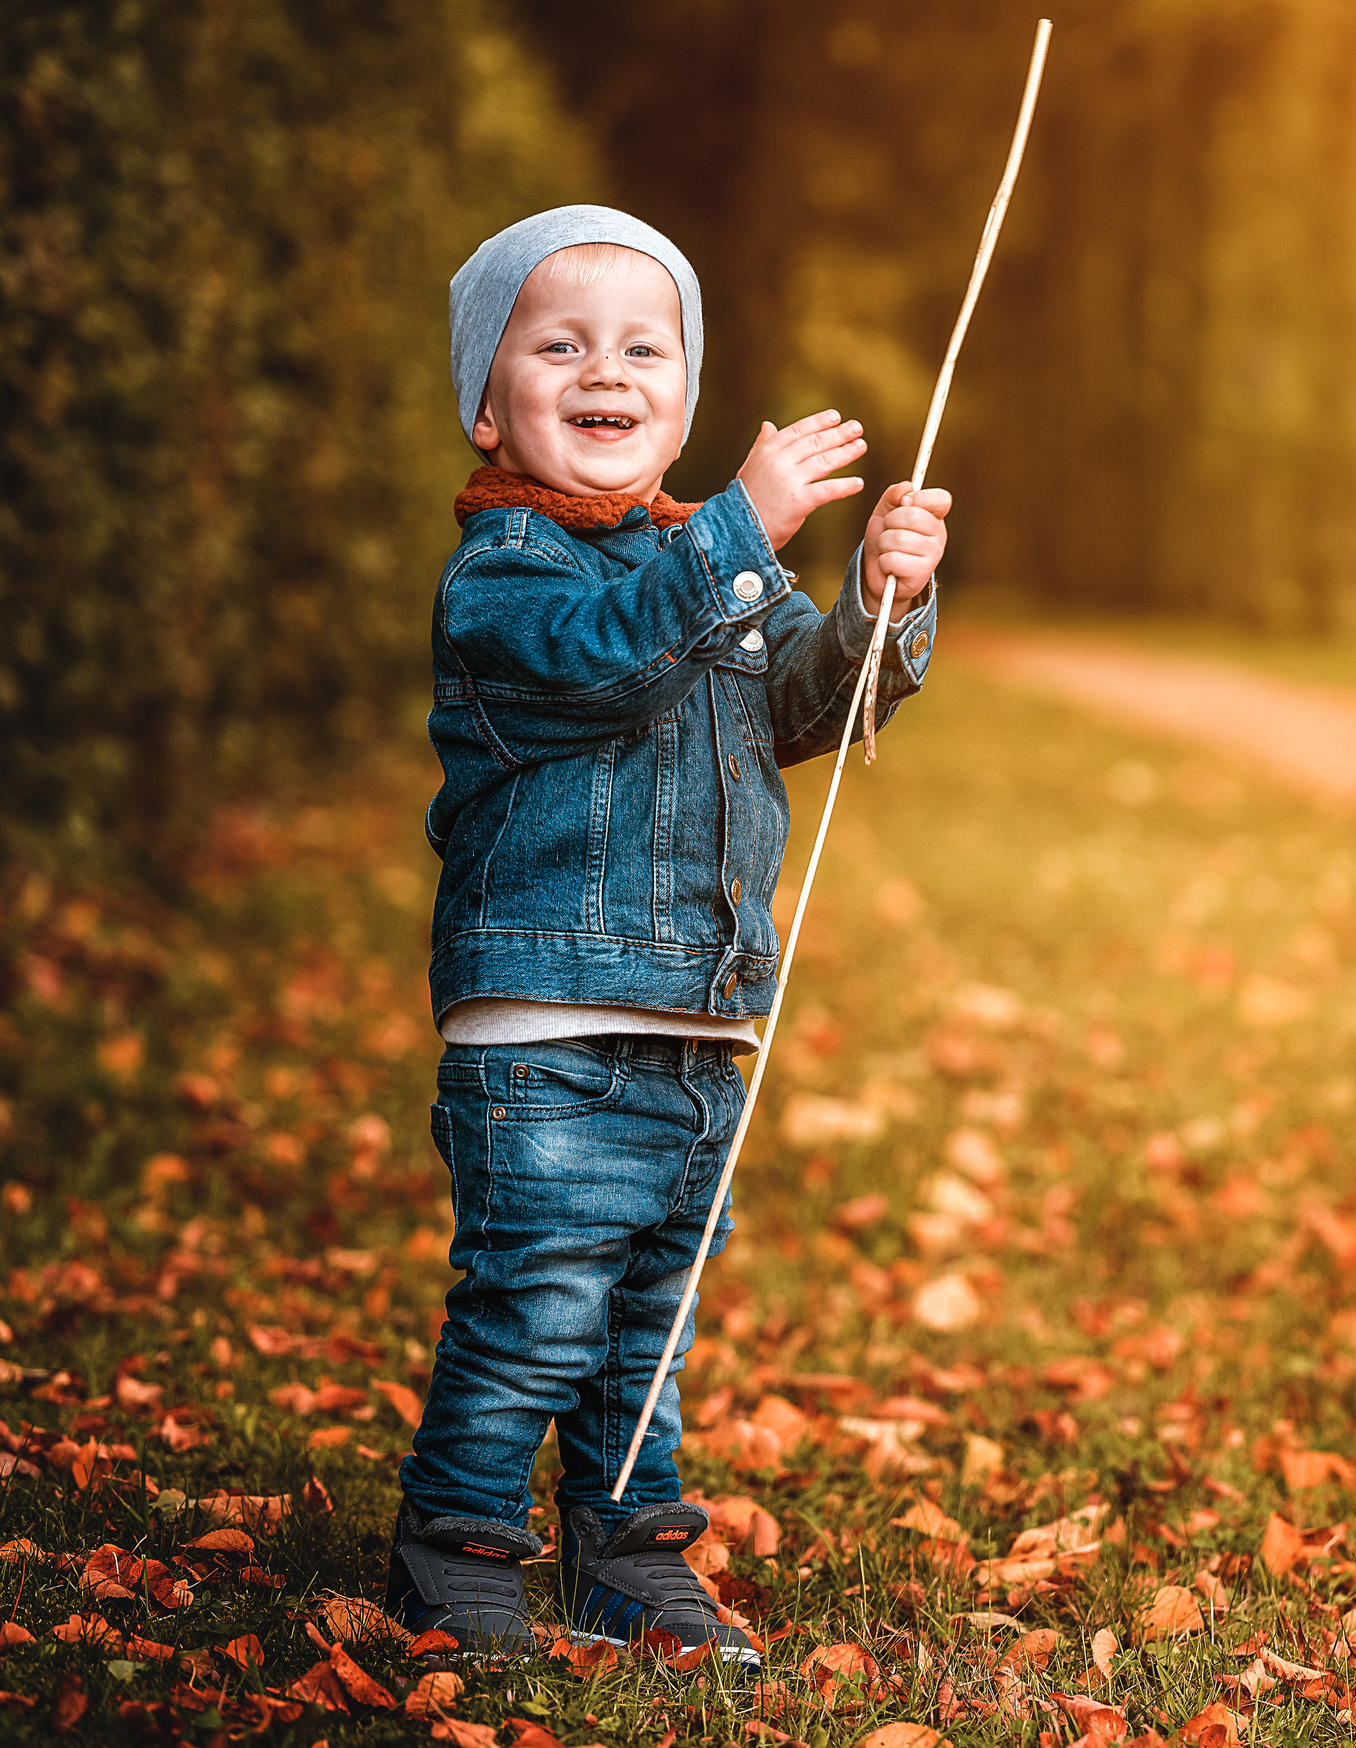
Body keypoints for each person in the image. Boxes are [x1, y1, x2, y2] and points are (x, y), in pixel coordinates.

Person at [384, 206, 945, 1663]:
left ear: (684, 394)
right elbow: (603, 668)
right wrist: (743, 532)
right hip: (550, 1031)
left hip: (700, 1033)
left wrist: (888, 599)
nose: (603, 369)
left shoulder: (712, 567)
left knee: (646, 1328)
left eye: (644, 345)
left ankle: (629, 1555)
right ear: (491, 402)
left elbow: (804, 711)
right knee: (535, 1308)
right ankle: (455, 1549)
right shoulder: (506, 576)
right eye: (557, 343)